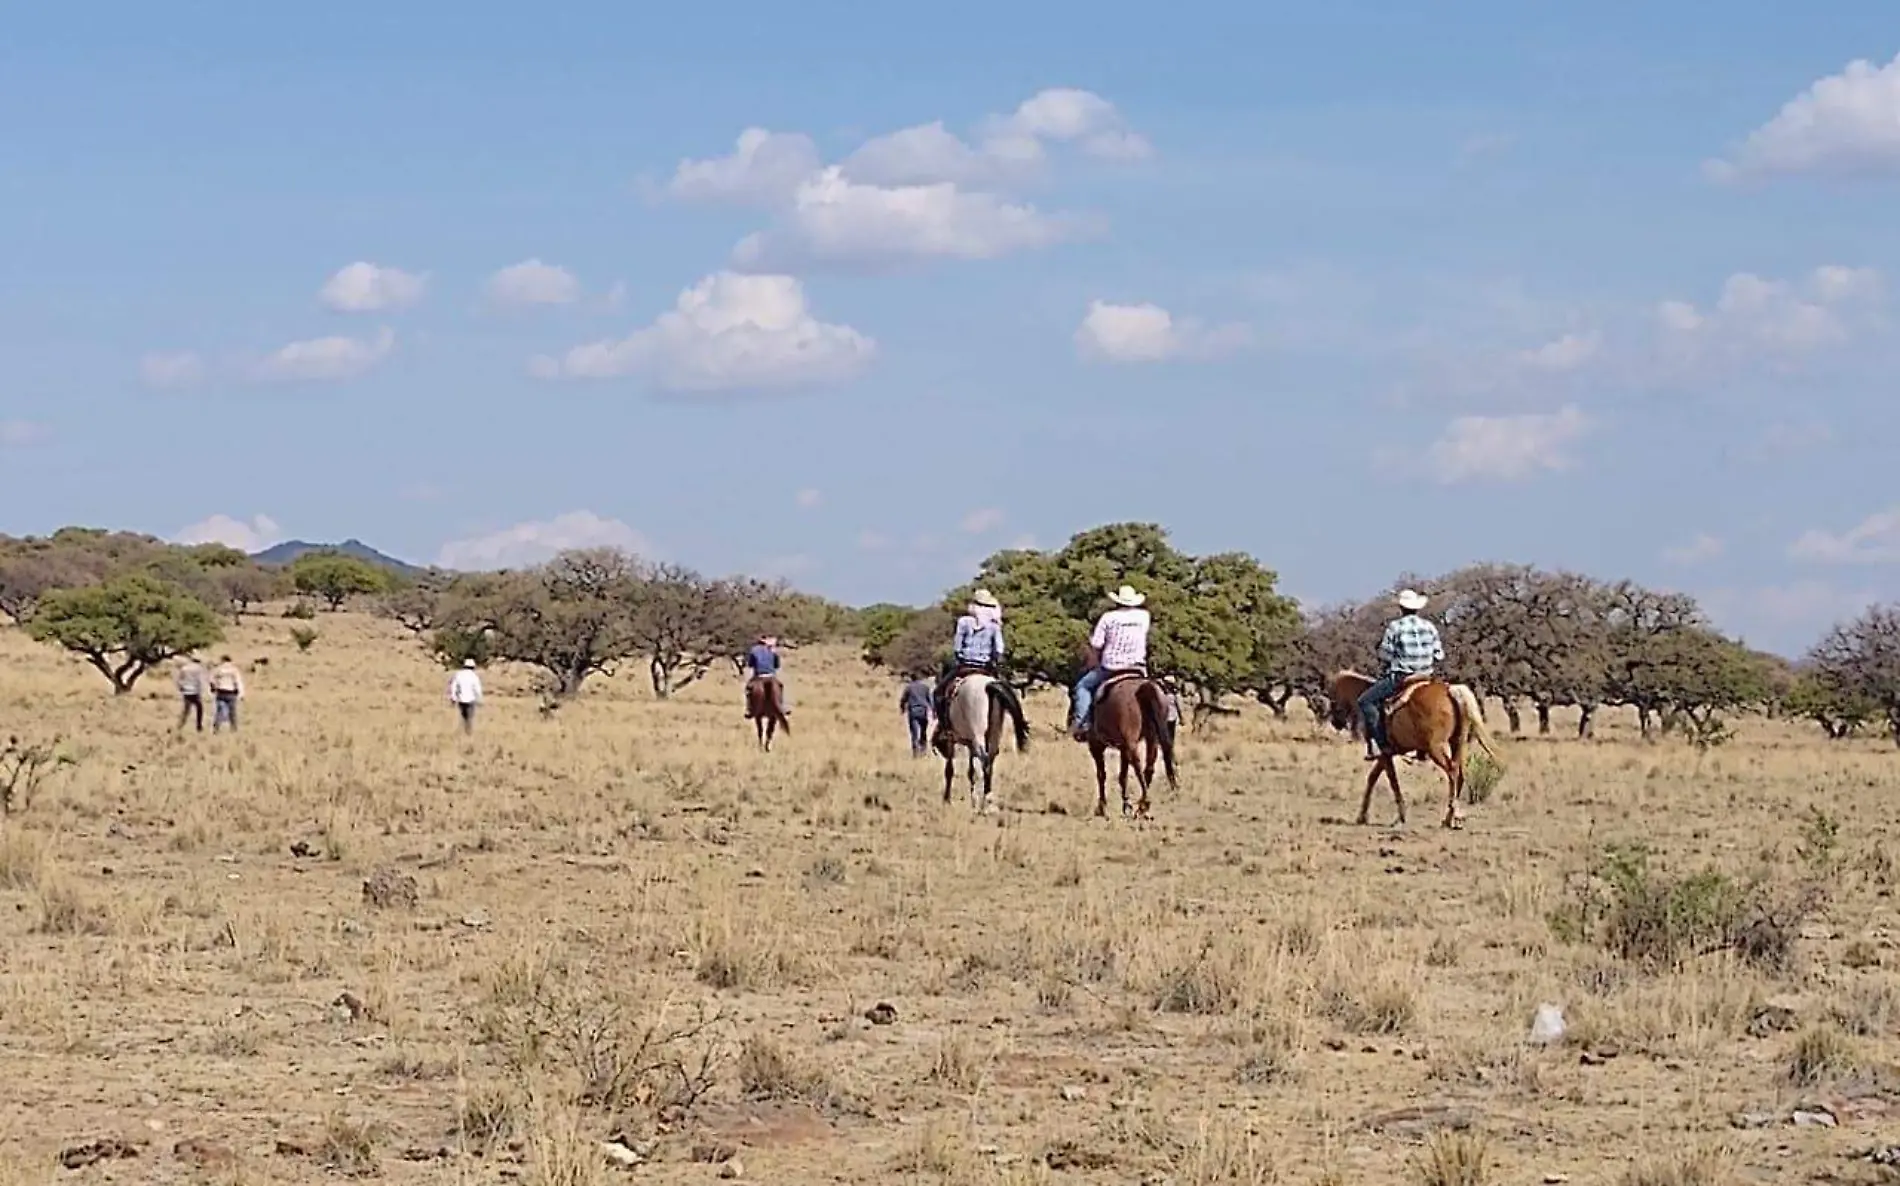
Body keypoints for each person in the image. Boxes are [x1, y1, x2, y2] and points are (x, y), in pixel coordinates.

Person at [1357, 588, 1446, 760]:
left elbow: (1385, 654)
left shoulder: (1395, 627)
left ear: (1401, 608)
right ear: (1417, 608)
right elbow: (1439, 654)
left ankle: (1382, 745)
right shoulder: (1429, 626)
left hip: (1402, 676)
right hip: (1426, 675)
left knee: (1366, 701)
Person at [1070, 585, 1152, 740]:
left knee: (1083, 687)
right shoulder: (1144, 616)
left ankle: (1083, 723)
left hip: (1112, 667)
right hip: (1138, 667)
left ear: (1117, 601)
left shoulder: (1108, 617)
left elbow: (1097, 644)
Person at [932, 589, 1005, 744]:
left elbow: (957, 647)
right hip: (986, 668)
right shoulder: (994, 626)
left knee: (939, 693)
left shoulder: (964, 622)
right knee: (1005, 695)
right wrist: (993, 660)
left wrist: (960, 656)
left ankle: (946, 728)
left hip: (965, 666)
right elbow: (999, 649)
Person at [744, 635, 789, 716]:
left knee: (748, 688)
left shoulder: (754, 650)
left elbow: (750, 664)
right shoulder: (772, 650)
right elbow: (777, 665)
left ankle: (749, 709)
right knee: (780, 686)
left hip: (759, 676)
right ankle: (782, 706)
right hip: (771, 675)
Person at [899, 674, 934, 757]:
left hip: (913, 711)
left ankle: (916, 753)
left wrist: (902, 709)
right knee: (923, 732)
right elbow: (930, 700)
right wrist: (933, 711)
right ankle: (923, 750)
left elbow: (903, 699)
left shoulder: (909, 687)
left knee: (914, 733)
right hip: (923, 711)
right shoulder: (925, 687)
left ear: (911, 679)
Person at [210, 655, 244, 734]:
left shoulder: (218, 669)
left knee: (219, 712)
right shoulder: (234, 670)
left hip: (220, 692)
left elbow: (211, 680)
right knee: (232, 712)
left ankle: (216, 729)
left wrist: (213, 689)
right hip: (231, 693)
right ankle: (234, 729)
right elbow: (237, 682)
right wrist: (241, 693)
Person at [448, 658, 483, 733]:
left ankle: (463, 731)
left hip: (461, 700)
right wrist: (479, 699)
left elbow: (453, 686)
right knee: (469, 718)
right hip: (471, 700)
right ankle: (468, 732)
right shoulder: (474, 676)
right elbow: (477, 688)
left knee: (463, 717)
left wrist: (453, 697)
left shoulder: (459, 675)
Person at [175, 655, 207, 733]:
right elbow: (201, 680)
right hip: (195, 691)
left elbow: (179, 680)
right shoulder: (199, 669)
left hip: (186, 691)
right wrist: (203, 690)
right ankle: (199, 725)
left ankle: (179, 726)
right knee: (199, 709)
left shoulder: (184, 668)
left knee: (186, 710)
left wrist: (181, 687)